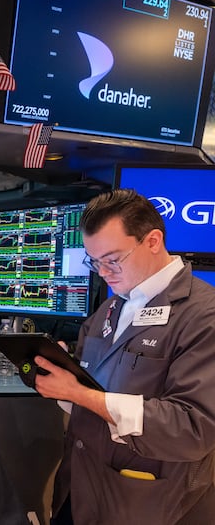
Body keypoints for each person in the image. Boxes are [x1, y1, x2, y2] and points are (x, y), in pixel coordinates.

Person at [33, 189, 215, 524]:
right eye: (95, 261)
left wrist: (80, 393)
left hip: (145, 502)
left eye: (113, 259)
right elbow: (91, 396)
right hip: (80, 486)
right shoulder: (111, 307)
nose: (103, 272)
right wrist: (63, 379)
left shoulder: (204, 315)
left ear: (152, 241)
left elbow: (192, 429)